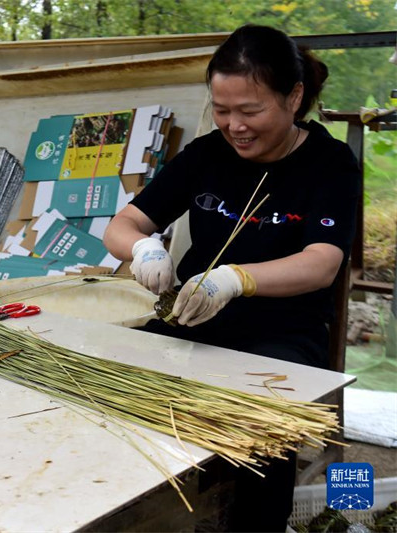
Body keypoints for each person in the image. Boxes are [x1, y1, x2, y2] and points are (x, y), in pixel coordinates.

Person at [103, 24, 359, 531]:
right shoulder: (205, 155)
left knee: (259, 445)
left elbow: (323, 262)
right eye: (222, 110)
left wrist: (234, 279)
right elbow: (122, 225)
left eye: (250, 111)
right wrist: (144, 248)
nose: (234, 126)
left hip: (282, 335)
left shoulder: (329, 164)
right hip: (194, 318)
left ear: (294, 97)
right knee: (121, 403)